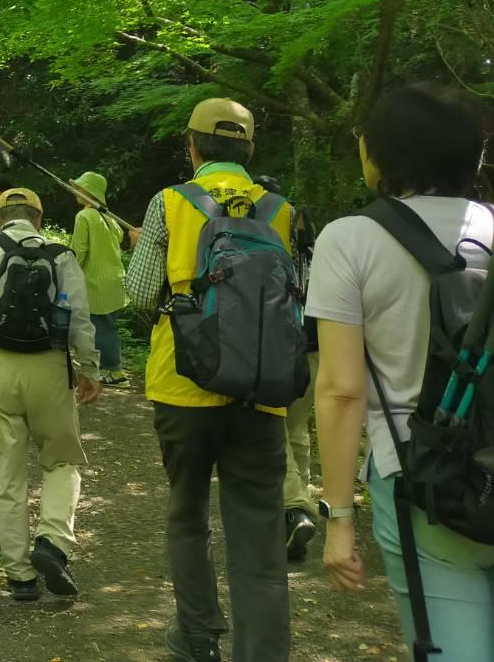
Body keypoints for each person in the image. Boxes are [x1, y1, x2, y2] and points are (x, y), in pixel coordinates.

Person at [310, 84, 494, 662]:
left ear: (383, 155)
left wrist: (339, 519)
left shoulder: (349, 240)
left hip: (422, 481)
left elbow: (341, 389)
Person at [123, 97, 294, 662]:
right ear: (249, 150)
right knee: (260, 543)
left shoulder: (170, 203)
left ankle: (197, 637)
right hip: (263, 392)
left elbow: (141, 294)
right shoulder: (282, 210)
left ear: (192, 146)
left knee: (187, 511)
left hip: (183, 386)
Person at [0, 186, 102, 601]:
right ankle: (52, 542)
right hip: (50, 366)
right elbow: (80, 319)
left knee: (6, 473)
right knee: (62, 459)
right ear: (38, 219)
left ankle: (20, 578)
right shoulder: (61, 255)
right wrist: (90, 369)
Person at [257, 174, 320, 564]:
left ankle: (295, 508)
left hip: (280, 347)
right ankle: (306, 496)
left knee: (275, 429)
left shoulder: (259, 242)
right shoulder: (309, 242)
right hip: (316, 345)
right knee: (298, 428)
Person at [69, 171, 130, 387]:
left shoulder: (84, 216)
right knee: (108, 326)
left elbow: (78, 251)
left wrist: (68, 272)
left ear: (89, 192)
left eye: (80, 187)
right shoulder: (109, 217)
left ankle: (116, 372)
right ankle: (108, 368)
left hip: (96, 283)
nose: (76, 190)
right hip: (115, 281)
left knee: (101, 328)